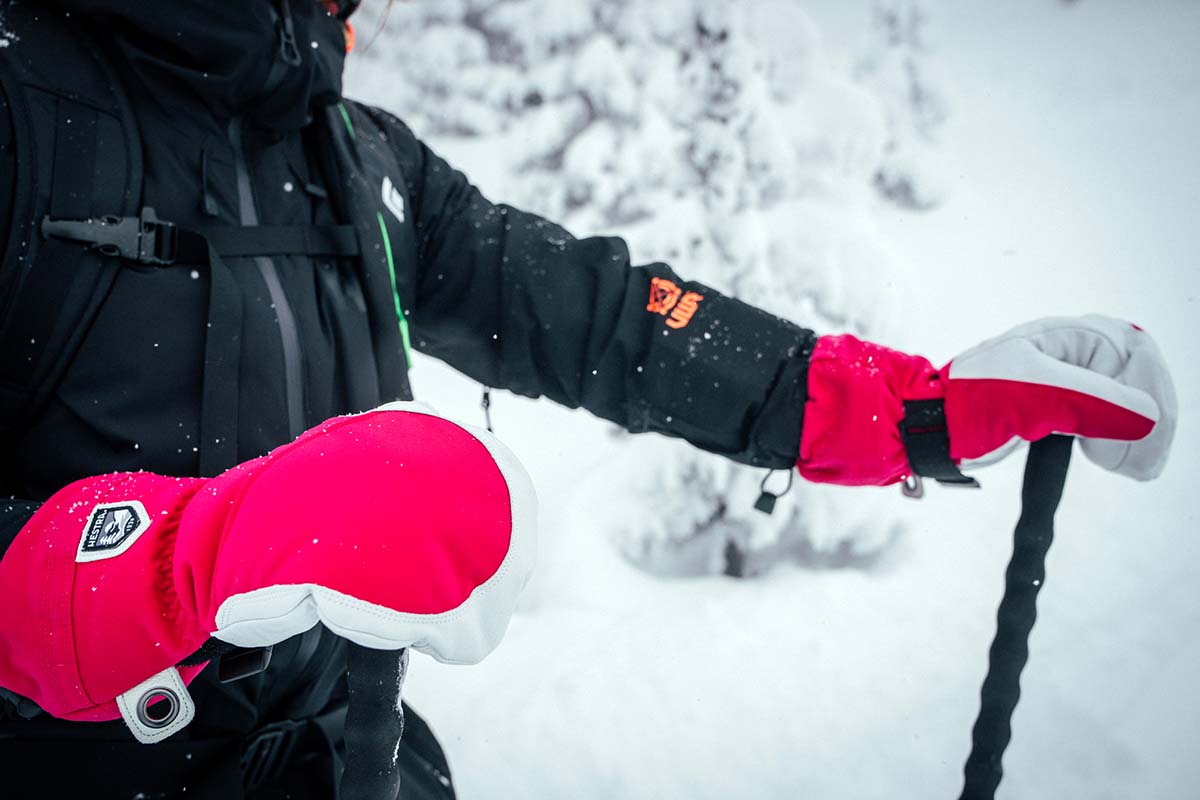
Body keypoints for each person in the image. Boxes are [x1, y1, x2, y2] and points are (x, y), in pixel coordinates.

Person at [0, 1, 1177, 798]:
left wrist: (910, 409)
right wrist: (177, 562)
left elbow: (605, 318)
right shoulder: (20, 108)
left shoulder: (359, 157)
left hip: (356, 758)